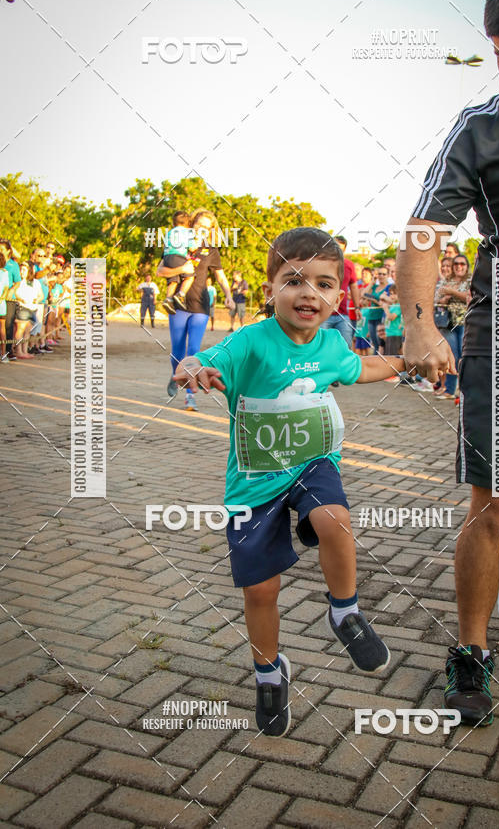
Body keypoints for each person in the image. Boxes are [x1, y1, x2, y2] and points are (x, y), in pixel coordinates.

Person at [396, 0, 499, 726]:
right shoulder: (481, 128)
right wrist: (422, 325)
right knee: (494, 502)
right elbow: (426, 233)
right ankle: (470, 649)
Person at [173, 227, 404, 736]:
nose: (309, 294)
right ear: (270, 288)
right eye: (294, 280)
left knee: (334, 519)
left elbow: (359, 368)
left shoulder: (330, 344)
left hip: (313, 462)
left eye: (323, 284)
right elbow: (206, 360)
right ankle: (269, 673)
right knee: (260, 591)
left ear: (338, 296)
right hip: (255, 484)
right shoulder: (250, 341)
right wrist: (191, 367)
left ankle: (345, 613)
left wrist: (406, 362)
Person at [158, 209, 233, 411]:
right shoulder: (178, 244)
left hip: (201, 305)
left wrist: (228, 295)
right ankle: (176, 376)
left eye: (207, 228)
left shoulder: (211, 250)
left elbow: (220, 276)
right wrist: (181, 270)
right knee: (177, 351)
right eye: (199, 225)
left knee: (194, 351)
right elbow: (160, 270)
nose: (202, 230)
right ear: (192, 224)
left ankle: (190, 396)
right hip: (178, 305)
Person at [435, 255, 471, 398]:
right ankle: (449, 390)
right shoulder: (446, 281)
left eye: (462, 263)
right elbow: (437, 300)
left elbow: (469, 297)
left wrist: (451, 292)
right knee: (452, 356)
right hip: (447, 323)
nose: (459, 266)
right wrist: (444, 298)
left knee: (464, 356)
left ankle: (464, 390)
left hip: (464, 323)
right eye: (455, 263)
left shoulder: (470, 281)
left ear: (467, 266)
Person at [323, 236, 361, 348]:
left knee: (346, 346)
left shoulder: (349, 265)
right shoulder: (321, 263)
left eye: (340, 248)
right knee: (322, 346)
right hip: (324, 314)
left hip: (343, 314)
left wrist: (357, 307)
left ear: (344, 250)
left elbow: (354, 287)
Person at [160, 211, 195, 314]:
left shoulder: (169, 232)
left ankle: (168, 299)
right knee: (190, 277)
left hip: (167, 257)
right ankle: (181, 294)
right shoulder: (187, 232)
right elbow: (192, 248)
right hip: (179, 256)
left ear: (174, 223)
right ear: (188, 223)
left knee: (173, 280)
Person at [13, 262, 43, 359]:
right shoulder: (18, 281)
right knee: (20, 330)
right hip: (22, 307)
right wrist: (21, 299)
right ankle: (18, 351)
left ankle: (24, 351)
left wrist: (37, 300)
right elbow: (15, 293)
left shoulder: (36, 282)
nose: (22, 272)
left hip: (32, 308)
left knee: (27, 332)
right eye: (21, 269)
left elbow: (41, 295)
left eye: (24, 270)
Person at [363, 266, 391, 352]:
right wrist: (372, 282)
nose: (381, 276)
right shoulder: (375, 286)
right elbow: (363, 294)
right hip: (371, 317)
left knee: (381, 344)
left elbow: (385, 304)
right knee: (374, 344)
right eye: (379, 274)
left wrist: (373, 299)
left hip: (381, 318)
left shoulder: (389, 287)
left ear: (388, 275)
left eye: (384, 274)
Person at [382, 284, 404, 382]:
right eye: (391, 294)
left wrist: (385, 309)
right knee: (390, 354)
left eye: (395, 294)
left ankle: (394, 375)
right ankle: (390, 374)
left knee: (393, 355)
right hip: (390, 333)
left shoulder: (398, 306)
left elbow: (392, 317)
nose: (392, 296)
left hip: (395, 333)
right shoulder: (394, 305)